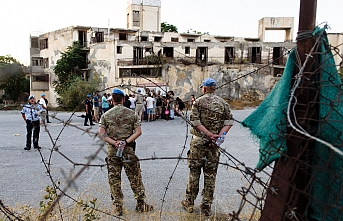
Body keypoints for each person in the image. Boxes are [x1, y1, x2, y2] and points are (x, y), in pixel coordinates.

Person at [181, 78, 233, 216]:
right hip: (214, 144)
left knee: (194, 173)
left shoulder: (198, 102)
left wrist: (208, 134)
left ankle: (189, 203)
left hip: (199, 142)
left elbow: (195, 122)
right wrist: (218, 136)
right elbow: (229, 122)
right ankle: (206, 206)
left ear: (204, 88)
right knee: (210, 175)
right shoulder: (223, 103)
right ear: (214, 88)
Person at [98, 88, 153, 216]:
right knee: (135, 177)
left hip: (113, 151)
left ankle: (118, 206)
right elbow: (138, 132)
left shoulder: (106, 115)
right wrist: (126, 142)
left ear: (112, 100)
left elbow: (101, 135)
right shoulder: (131, 114)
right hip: (128, 149)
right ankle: (140, 203)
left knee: (114, 179)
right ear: (123, 99)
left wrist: (114, 142)